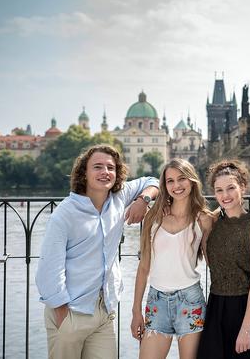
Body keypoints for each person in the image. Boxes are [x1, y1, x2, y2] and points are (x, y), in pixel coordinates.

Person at [36, 144, 159, 359]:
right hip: (71, 312)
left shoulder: (119, 198)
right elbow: (49, 269)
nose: (105, 172)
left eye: (111, 168)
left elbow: (153, 182)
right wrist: (62, 315)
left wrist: (143, 200)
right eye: (98, 167)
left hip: (104, 312)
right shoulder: (64, 214)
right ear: (84, 173)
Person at [130, 158, 212, 359]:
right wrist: (136, 311)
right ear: (164, 186)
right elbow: (143, 268)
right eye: (170, 181)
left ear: (192, 181)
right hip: (156, 301)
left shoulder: (203, 219)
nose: (177, 185)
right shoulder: (154, 218)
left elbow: (212, 262)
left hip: (190, 301)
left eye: (182, 179)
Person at [198, 160, 250, 358]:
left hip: (247, 309)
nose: (225, 195)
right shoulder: (212, 223)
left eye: (231, 188)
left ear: (243, 187)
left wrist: (246, 329)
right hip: (217, 308)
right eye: (219, 190)